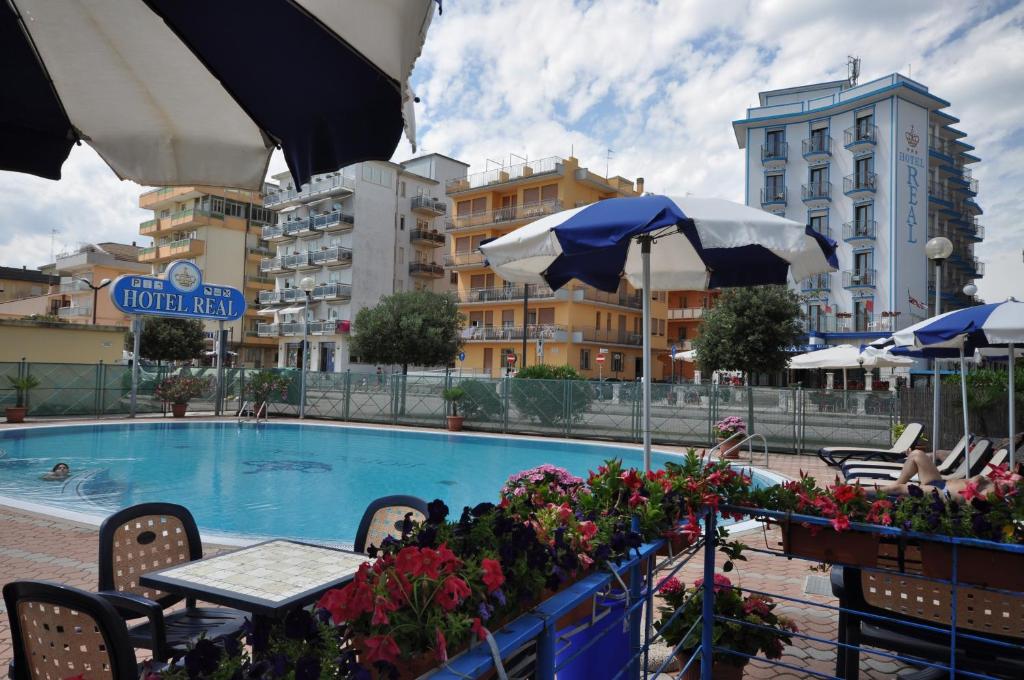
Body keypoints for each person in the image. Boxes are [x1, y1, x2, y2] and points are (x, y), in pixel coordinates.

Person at [871, 449, 993, 497]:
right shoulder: (996, 482)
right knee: (916, 454)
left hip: (942, 494)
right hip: (942, 483)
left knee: (899, 489)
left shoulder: (996, 493)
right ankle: (893, 484)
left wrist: (978, 480)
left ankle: (858, 492)